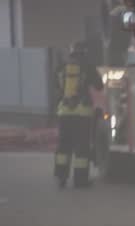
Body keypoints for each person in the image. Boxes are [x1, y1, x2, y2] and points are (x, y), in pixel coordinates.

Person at [54, 41, 103, 188]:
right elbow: (99, 85)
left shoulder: (61, 67)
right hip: (82, 113)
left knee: (63, 145)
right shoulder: (88, 66)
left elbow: (56, 86)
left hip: (64, 111)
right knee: (82, 147)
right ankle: (80, 180)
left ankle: (61, 177)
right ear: (84, 51)